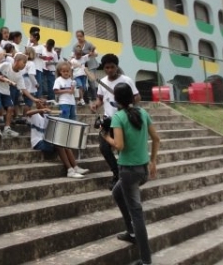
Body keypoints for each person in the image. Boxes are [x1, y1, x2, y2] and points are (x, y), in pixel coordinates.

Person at [100, 82, 160, 265]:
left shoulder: (119, 117)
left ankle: (146, 260)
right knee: (117, 193)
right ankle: (131, 232)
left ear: (116, 100)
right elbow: (156, 138)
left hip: (128, 171)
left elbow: (119, 146)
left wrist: (105, 136)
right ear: (133, 97)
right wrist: (153, 161)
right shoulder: (143, 113)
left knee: (137, 214)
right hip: (142, 170)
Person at [89, 53, 141, 190]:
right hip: (108, 120)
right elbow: (100, 99)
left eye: (112, 67)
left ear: (117, 67)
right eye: (107, 67)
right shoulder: (103, 82)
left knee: (121, 149)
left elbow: (137, 97)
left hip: (124, 120)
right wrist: (95, 104)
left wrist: (128, 105)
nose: (110, 70)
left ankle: (125, 176)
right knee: (104, 147)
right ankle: (117, 173)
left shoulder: (126, 80)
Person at [27, 103, 89, 179]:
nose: (46, 106)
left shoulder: (47, 117)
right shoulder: (34, 116)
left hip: (45, 141)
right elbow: (27, 113)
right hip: (37, 143)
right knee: (58, 144)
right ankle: (70, 170)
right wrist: (41, 110)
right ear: (38, 106)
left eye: (46, 105)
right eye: (43, 104)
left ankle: (76, 167)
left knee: (64, 143)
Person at [0, 53, 41, 138]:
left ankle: (7, 129)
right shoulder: (6, 65)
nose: (25, 65)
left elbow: (23, 89)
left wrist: (34, 99)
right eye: (24, 62)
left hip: (6, 91)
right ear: (16, 61)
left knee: (10, 108)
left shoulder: (19, 75)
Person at [74, 30, 98, 103]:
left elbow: (95, 52)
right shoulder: (76, 46)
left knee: (91, 81)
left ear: (83, 36)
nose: (79, 38)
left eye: (80, 36)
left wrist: (92, 52)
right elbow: (72, 54)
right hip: (82, 67)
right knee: (83, 84)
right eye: (77, 36)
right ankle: (85, 99)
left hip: (90, 65)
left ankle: (94, 98)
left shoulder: (88, 44)